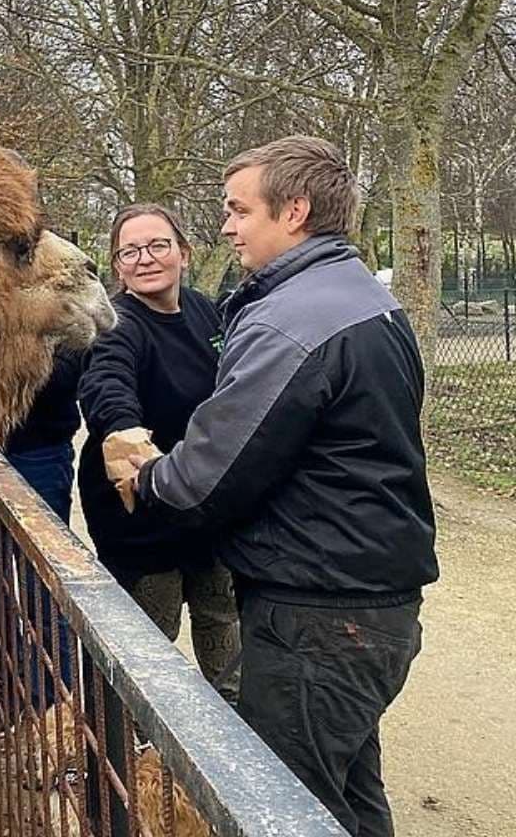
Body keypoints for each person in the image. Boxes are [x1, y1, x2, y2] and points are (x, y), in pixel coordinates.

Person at [117, 136, 437, 837]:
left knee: (284, 812)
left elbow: (208, 478)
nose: (227, 226)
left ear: (294, 211)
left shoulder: (295, 319)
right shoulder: (364, 299)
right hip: (369, 603)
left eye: (238, 210)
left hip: (316, 617)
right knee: (346, 802)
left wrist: (147, 477)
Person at [76, 204, 241, 702]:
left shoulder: (204, 311)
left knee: (224, 630)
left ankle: (236, 741)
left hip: (208, 510)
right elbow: (106, 383)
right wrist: (127, 434)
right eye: (130, 251)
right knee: (147, 648)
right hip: (143, 515)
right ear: (117, 265)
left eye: (157, 246)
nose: (145, 259)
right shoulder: (117, 323)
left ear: (184, 254)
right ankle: (122, 751)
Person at [1, 345, 83, 713]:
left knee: (43, 581)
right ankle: (12, 683)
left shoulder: (54, 292)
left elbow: (66, 373)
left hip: (39, 453)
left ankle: (54, 702)